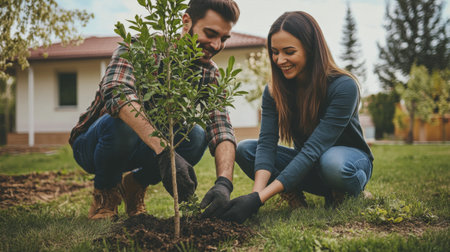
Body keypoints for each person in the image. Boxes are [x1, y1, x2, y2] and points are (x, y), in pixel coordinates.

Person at [69, 0, 240, 220]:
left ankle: (134, 185)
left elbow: (221, 125)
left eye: (224, 39)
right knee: (123, 121)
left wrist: (224, 184)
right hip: (94, 145)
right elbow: (116, 92)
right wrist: (165, 152)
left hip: (145, 148)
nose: (216, 45)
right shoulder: (140, 48)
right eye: (210, 33)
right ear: (186, 22)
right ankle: (105, 196)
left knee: (196, 136)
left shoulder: (208, 72)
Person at [221, 11, 374, 224]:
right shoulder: (275, 90)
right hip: (311, 165)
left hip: (345, 163)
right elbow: (266, 144)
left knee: (332, 162)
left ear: (311, 49)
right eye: (275, 52)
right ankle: (294, 193)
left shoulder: (343, 86)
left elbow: (313, 150)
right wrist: (255, 197)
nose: (280, 60)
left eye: (289, 52)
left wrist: (261, 198)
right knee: (247, 150)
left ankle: (351, 191)